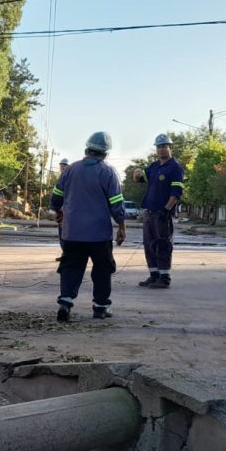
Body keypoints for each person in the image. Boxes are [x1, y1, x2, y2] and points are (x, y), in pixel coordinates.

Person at [50, 132, 126, 322]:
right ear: (105, 153)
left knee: (70, 268)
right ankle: (100, 307)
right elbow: (117, 203)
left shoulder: (70, 170)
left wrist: (57, 211)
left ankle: (65, 304)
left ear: (87, 149)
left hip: (72, 232)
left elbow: (56, 196)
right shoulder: (108, 172)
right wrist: (122, 226)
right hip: (99, 234)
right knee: (102, 269)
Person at [134, 134, 184, 289]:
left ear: (170, 147)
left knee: (162, 245)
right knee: (149, 244)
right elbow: (141, 179)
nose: (161, 149)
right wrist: (136, 173)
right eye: (159, 146)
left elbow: (176, 193)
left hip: (162, 214)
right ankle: (154, 275)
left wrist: (166, 210)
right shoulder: (154, 166)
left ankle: (164, 277)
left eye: (164, 146)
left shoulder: (175, 168)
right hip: (149, 212)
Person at [55, 157, 70, 262]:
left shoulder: (68, 176)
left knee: (65, 233)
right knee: (62, 233)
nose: (62, 167)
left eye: (64, 165)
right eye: (61, 165)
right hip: (63, 209)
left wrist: (55, 208)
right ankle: (65, 253)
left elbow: (57, 195)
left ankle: (67, 254)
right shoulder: (63, 177)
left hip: (67, 209)